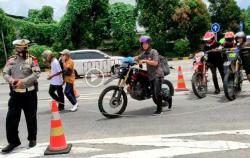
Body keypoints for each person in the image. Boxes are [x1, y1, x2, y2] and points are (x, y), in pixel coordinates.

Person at [2, 39, 41, 153]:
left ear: (27, 48)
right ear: (16, 48)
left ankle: (32, 139)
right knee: (11, 119)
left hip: (29, 94)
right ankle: (13, 142)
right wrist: (12, 80)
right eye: (20, 48)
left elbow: (37, 73)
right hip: (15, 95)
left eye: (24, 47)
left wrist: (22, 81)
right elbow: (5, 73)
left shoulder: (32, 59)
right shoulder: (11, 60)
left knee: (31, 118)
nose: (22, 50)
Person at [134, 36, 165, 114]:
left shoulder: (154, 52)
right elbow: (138, 57)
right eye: (143, 44)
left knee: (157, 93)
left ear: (149, 44)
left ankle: (160, 110)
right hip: (151, 76)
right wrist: (129, 59)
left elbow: (155, 63)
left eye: (145, 44)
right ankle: (168, 100)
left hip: (157, 74)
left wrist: (145, 61)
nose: (144, 45)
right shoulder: (145, 53)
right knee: (153, 94)